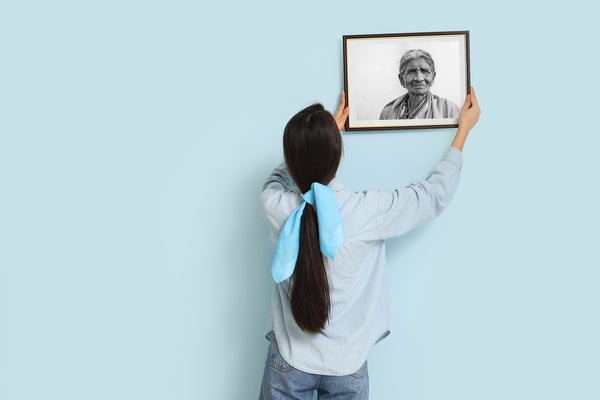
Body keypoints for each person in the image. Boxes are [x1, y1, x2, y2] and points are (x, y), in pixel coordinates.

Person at [259, 88, 481, 399]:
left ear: (293, 158)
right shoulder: (368, 211)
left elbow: (274, 181)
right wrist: (463, 132)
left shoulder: (276, 207)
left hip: (290, 359)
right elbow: (433, 195)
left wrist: (312, 146)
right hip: (347, 364)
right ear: (337, 154)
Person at [380, 49, 460, 120]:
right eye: (412, 72)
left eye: (424, 71)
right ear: (401, 79)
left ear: (433, 77)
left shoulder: (450, 110)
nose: (419, 78)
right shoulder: (388, 113)